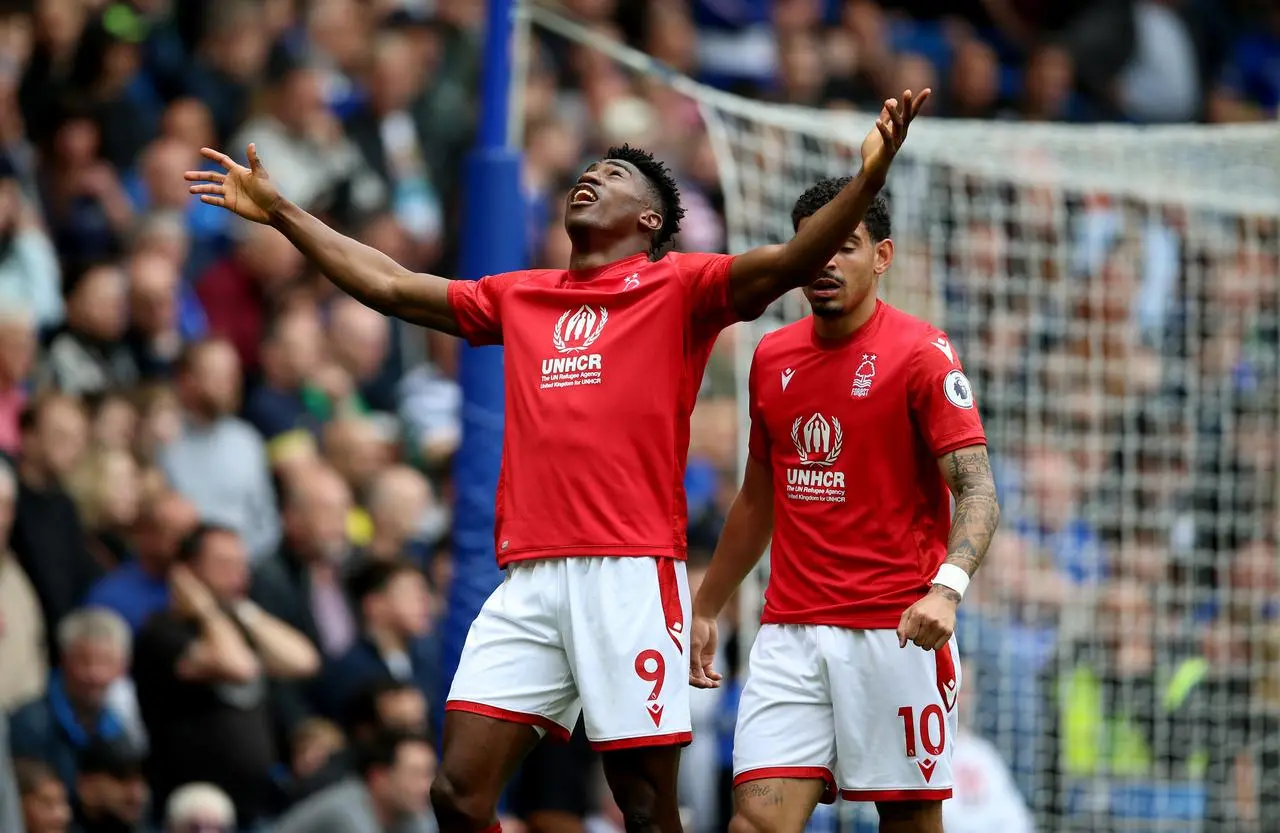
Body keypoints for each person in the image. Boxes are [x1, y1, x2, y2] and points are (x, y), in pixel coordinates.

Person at [186, 88, 930, 833]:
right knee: (456, 794)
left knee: (643, 806)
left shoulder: (682, 286)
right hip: (530, 578)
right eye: (589, 170)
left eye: (613, 174)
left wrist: (867, 181)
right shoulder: (524, 295)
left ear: (649, 221)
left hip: (630, 572)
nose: (591, 176)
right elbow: (391, 285)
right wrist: (284, 213)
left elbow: (795, 258)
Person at [688, 182, 1000, 833]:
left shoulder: (922, 353)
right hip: (790, 631)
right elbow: (756, 498)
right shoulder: (771, 355)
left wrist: (946, 590)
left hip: (897, 630)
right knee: (754, 823)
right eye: (815, 246)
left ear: (882, 256)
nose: (826, 260)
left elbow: (977, 488)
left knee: (909, 822)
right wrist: (706, 604)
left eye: (846, 246)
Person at [273, 728, 436, 833]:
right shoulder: (344, 814)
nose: (426, 786)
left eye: (429, 773)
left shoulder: (414, 813)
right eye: (415, 774)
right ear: (378, 778)